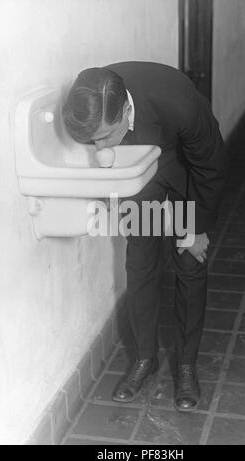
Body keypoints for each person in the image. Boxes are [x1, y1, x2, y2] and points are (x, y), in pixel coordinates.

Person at [62, 61, 228, 412]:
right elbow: (101, 148)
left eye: (105, 136)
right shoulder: (93, 98)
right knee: (140, 263)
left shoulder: (178, 100)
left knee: (189, 261)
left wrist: (196, 229)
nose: (100, 146)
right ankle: (145, 358)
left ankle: (185, 365)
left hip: (186, 165)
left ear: (125, 110)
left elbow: (211, 163)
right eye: (94, 140)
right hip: (139, 170)